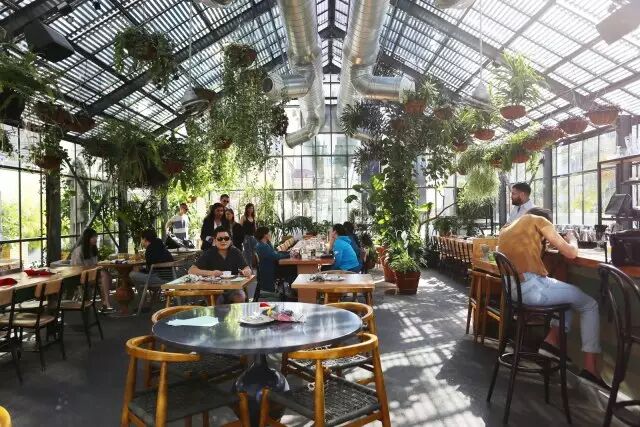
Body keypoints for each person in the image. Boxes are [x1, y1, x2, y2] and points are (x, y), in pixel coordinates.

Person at [498, 207, 607, 388]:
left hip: (514, 291)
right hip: (532, 289)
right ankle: (590, 369)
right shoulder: (539, 220)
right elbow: (571, 253)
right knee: (590, 305)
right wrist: (571, 239)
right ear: (547, 221)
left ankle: (551, 342)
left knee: (566, 296)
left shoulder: (508, 228)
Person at [189, 226, 252, 303]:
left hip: (232, 288)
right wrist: (211, 273)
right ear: (215, 241)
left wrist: (247, 271)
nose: (223, 241)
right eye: (220, 239)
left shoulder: (236, 252)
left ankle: (238, 311)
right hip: (214, 289)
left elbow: (246, 268)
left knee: (240, 296)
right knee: (217, 300)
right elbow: (191, 270)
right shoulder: (209, 253)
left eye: (226, 238)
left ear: (230, 240)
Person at [70, 228, 114, 313]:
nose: (95, 239)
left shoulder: (93, 250)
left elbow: (95, 264)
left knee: (107, 276)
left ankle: (105, 303)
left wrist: (99, 266)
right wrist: (93, 268)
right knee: (105, 275)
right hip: (81, 277)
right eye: (93, 237)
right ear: (87, 238)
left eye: (96, 237)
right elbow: (76, 269)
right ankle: (106, 303)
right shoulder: (78, 251)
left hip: (92, 275)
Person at [255, 226, 296, 295]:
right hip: (271, 269)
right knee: (294, 268)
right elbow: (276, 256)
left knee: (292, 267)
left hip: (272, 266)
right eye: (269, 233)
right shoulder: (262, 246)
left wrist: (288, 253)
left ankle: (293, 288)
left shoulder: (264, 244)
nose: (270, 234)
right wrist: (289, 255)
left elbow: (275, 253)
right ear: (265, 235)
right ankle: (294, 289)